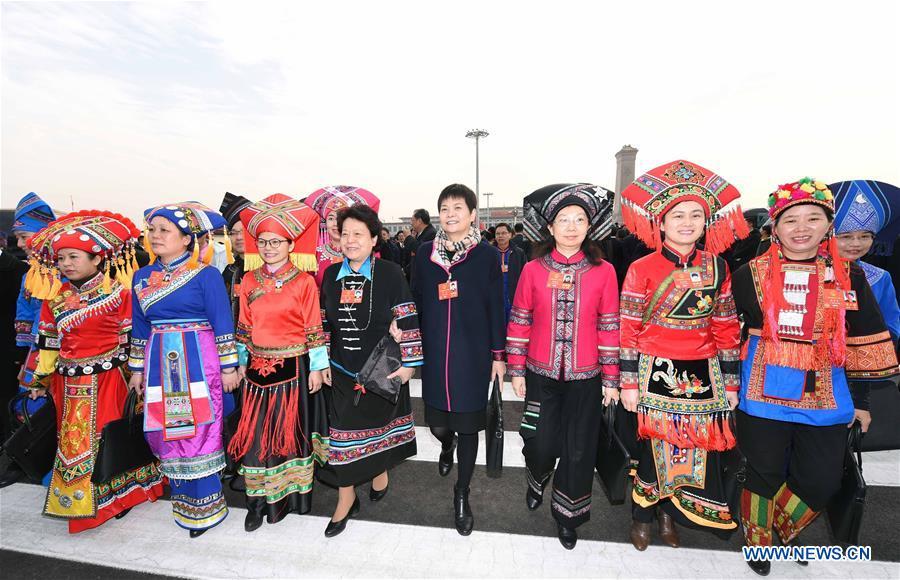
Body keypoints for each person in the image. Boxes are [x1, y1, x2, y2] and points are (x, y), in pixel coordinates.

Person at [732, 178, 899, 576]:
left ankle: (780, 528)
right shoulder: (748, 275)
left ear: (828, 226)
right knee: (763, 473)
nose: (801, 228)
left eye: (813, 218)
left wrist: (862, 402)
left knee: (821, 479)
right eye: (790, 219)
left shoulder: (849, 276)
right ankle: (758, 539)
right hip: (762, 392)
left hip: (827, 393)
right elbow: (724, 331)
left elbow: (861, 339)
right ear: (775, 227)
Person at [618, 160, 750, 550]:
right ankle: (642, 516)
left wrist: (730, 384)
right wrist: (627, 382)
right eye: (678, 215)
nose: (687, 222)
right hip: (654, 370)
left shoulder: (719, 266)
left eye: (696, 214)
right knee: (651, 449)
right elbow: (628, 327)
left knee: (695, 451)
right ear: (660, 222)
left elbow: (726, 325)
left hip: (704, 372)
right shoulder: (641, 268)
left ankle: (668, 515)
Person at [23, 210, 165, 532]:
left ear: (97, 259)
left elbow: (132, 340)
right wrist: (40, 380)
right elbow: (48, 345)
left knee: (108, 440)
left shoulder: (119, 294)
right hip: (66, 383)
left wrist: (136, 376)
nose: (67, 264)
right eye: (61, 259)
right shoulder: (55, 299)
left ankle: (119, 497)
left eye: (74, 256)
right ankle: (82, 499)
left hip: (110, 381)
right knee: (72, 442)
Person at [507, 183, 619, 550]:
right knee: (539, 441)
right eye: (563, 220)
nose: (571, 226)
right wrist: (517, 368)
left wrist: (612, 378)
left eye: (580, 219)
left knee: (578, 449)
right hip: (540, 375)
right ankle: (537, 476)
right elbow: (520, 319)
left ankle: (568, 514)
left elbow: (609, 325)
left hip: (587, 378)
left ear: (590, 226)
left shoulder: (604, 272)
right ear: (550, 228)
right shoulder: (533, 270)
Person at [129, 202, 240, 538]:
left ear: (186, 239)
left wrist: (229, 366)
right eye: (153, 230)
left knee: (199, 426)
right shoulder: (142, 276)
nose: (156, 236)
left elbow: (222, 321)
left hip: (198, 360)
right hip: (159, 362)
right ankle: (183, 501)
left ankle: (206, 505)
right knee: (167, 428)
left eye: (165, 230)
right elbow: (139, 326)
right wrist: (136, 369)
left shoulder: (205, 274)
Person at [226, 194, 329, 532]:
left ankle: (288, 499)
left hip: (294, 370)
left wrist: (317, 367)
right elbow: (243, 326)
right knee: (256, 438)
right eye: (263, 242)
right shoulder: (250, 280)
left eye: (275, 242)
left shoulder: (303, 282)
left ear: (290, 244)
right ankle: (256, 503)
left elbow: (314, 328)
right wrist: (239, 362)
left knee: (287, 438)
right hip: (256, 371)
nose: (268, 247)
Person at [319, 204, 421, 537]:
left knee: (381, 431)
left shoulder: (390, 272)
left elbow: (406, 316)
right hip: (342, 372)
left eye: (358, 234)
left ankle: (380, 472)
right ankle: (346, 499)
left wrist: (409, 365)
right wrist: (320, 363)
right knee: (342, 440)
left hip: (381, 368)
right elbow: (322, 325)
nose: (350, 240)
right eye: (344, 233)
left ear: (374, 238)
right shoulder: (331, 277)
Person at [412, 184, 506, 536]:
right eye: (445, 207)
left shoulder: (485, 256)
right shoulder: (424, 253)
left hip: (472, 354)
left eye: (457, 207)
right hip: (435, 354)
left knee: (469, 426)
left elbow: (496, 306)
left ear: (471, 215)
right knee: (439, 425)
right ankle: (445, 443)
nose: (450, 214)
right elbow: (417, 297)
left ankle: (462, 492)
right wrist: (406, 332)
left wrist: (499, 355)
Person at [3, 192, 56, 488]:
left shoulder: (63, 269)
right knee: (30, 405)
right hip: (36, 353)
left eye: (24, 236)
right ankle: (30, 459)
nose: (20, 244)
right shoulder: (30, 274)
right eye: (19, 238)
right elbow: (26, 317)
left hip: (63, 354)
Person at [831, 180, 900, 341]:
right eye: (845, 236)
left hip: (867, 359)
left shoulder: (880, 277)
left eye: (865, 236)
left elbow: (893, 323)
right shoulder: (808, 272)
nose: (856, 243)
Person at [305, 186, 381, 287]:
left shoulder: (366, 251)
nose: (336, 224)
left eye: (341, 219)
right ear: (324, 223)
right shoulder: (313, 255)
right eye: (331, 218)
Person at [492, 222, 526, 321]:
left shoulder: (518, 253)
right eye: (498, 234)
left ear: (510, 234)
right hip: (495, 298)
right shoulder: (489, 253)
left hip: (513, 297)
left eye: (504, 233)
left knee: (512, 325)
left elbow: (524, 275)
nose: (500, 236)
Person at [405, 208, 436, 282]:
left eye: (412, 220)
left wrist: (408, 237)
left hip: (425, 279)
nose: (411, 223)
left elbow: (420, 251)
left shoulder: (431, 234)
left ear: (419, 221)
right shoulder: (419, 234)